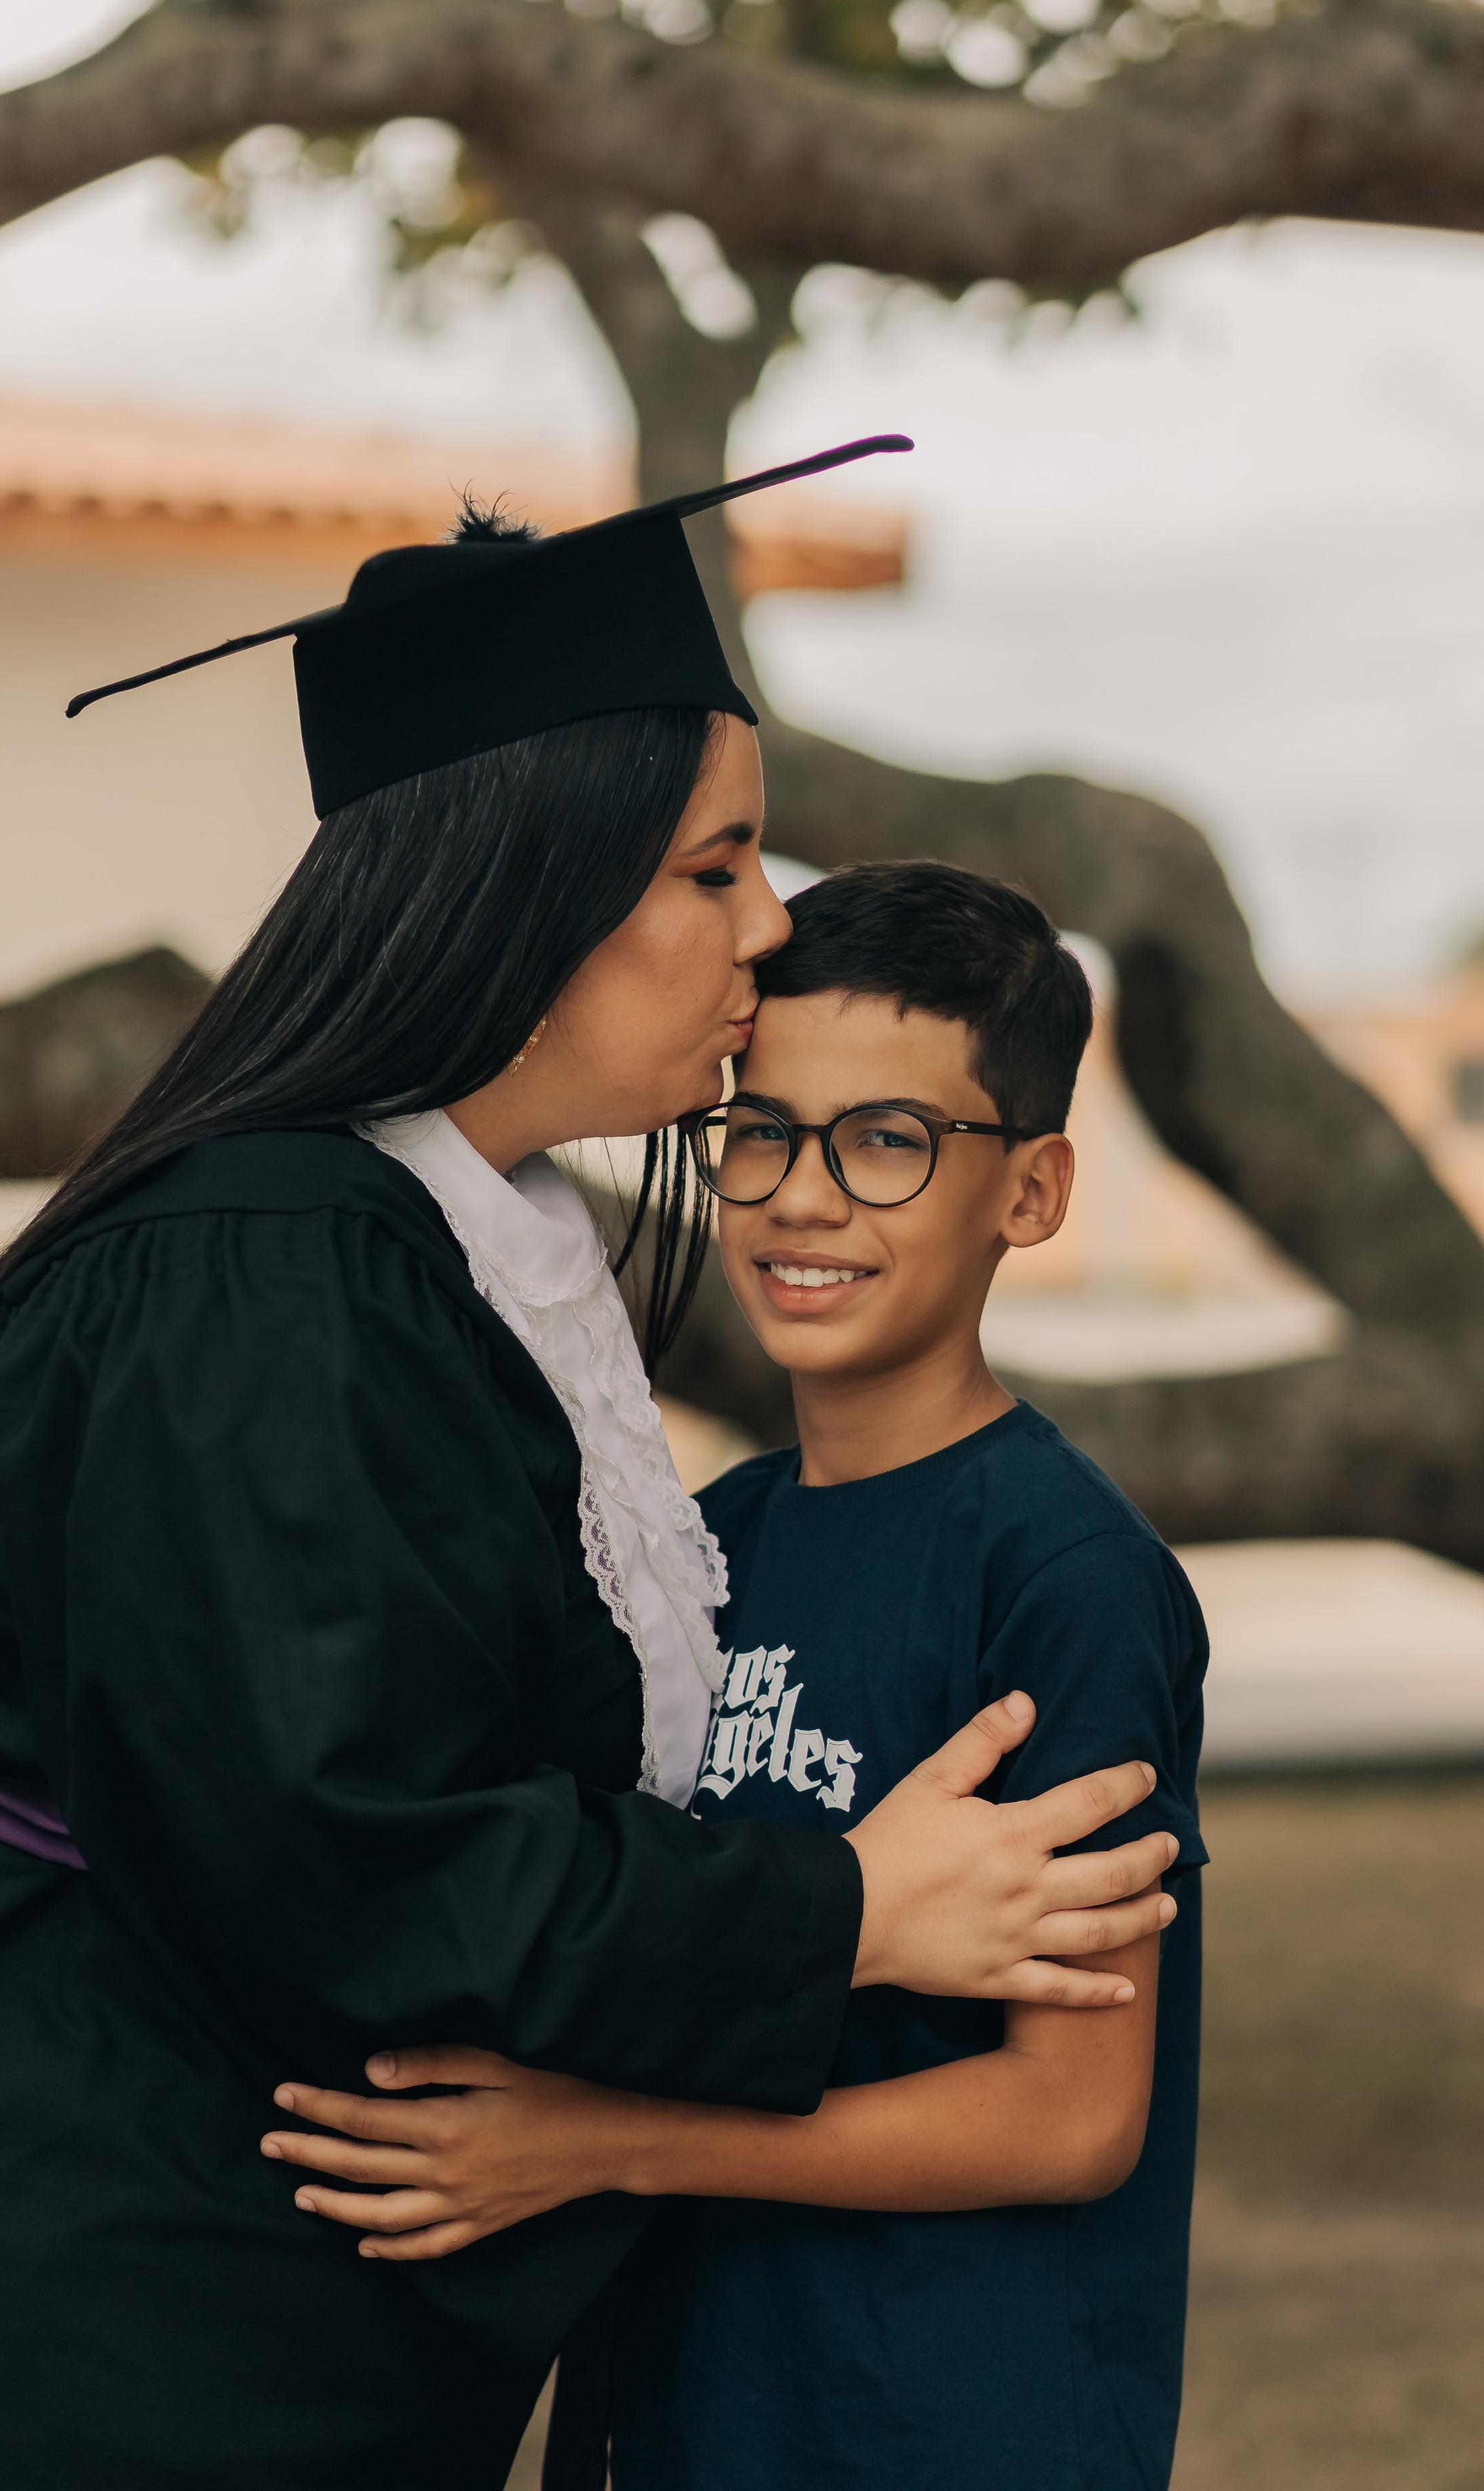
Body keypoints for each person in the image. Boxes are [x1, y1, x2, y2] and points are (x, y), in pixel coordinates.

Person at [0, 454, 1180, 2491]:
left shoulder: (434, 1247)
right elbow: (360, 1853)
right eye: (714, 870)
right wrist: (842, 1908)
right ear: (531, 886)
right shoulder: (267, 1278)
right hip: (42, 2267)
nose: (765, 936)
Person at [265, 862, 1208, 2491]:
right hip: (693, 2411)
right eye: (760, 1131)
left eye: (888, 1141)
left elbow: (1069, 2120)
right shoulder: (702, 1545)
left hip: (942, 2428)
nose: (799, 1197)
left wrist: (601, 2144)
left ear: (1031, 1191)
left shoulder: (1059, 1574)